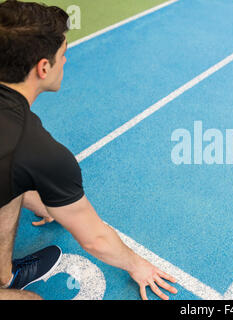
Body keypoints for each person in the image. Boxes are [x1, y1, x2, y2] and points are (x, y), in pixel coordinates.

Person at [0, 0, 177, 300]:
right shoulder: (39, 151)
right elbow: (94, 239)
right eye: (63, 55)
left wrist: (42, 199)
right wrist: (138, 265)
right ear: (43, 67)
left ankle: (4, 274)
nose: (66, 61)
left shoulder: (19, 149)